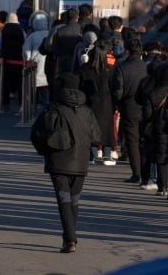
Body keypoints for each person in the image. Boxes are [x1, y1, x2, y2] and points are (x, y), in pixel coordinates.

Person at [31, 73, 101, 253]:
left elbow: (36, 134)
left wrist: (44, 151)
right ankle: (70, 237)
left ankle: (70, 239)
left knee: (64, 200)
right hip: (81, 161)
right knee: (74, 200)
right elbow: (96, 136)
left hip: (58, 160)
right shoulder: (86, 110)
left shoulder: (53, 109)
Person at [111, 39, 148, 184]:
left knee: (132, 141)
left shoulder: (122, 67)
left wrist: (117, 103)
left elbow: (117, 91)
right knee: (145, 141)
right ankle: (146, 173)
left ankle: (137, 173)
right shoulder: (147, 67)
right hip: (146, 108)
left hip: (129, 107)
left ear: (127, 51)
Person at [79, 43, 117, 166]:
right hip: (106, 102)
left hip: (90, 101)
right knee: (107, 128)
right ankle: (106, 155)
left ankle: (92, 155)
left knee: (91, 127)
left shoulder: (85, 69)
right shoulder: (109, 70)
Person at [142, 64, 168, 195]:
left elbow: (147, 113)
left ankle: (162, 186)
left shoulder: (154, 92)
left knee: (161, 157)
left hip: (158, 127)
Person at [0, 13, 25, 113]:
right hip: (18, 60)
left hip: (5, 59)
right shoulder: (21, 30)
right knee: (20, 83)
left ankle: (6, 106)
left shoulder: (4, 30)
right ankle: (21, 105)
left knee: (5, 83)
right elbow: (25, 44)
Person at [23, 11, 50, 108]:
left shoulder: (32, 36)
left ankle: (33, 106)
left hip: (35, 66)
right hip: (48, 65)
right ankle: (47, 104)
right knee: (46, 86)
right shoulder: (50, 34)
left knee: (34, 86)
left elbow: (26, 51)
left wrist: (28, 59)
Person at [52, 9, 83, 77]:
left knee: (62, 80)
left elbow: (55, 49)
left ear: (66, 18)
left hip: (62, 60)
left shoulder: (59, 30)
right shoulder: (81, 29)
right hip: (77, 60)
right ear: (77, 17)